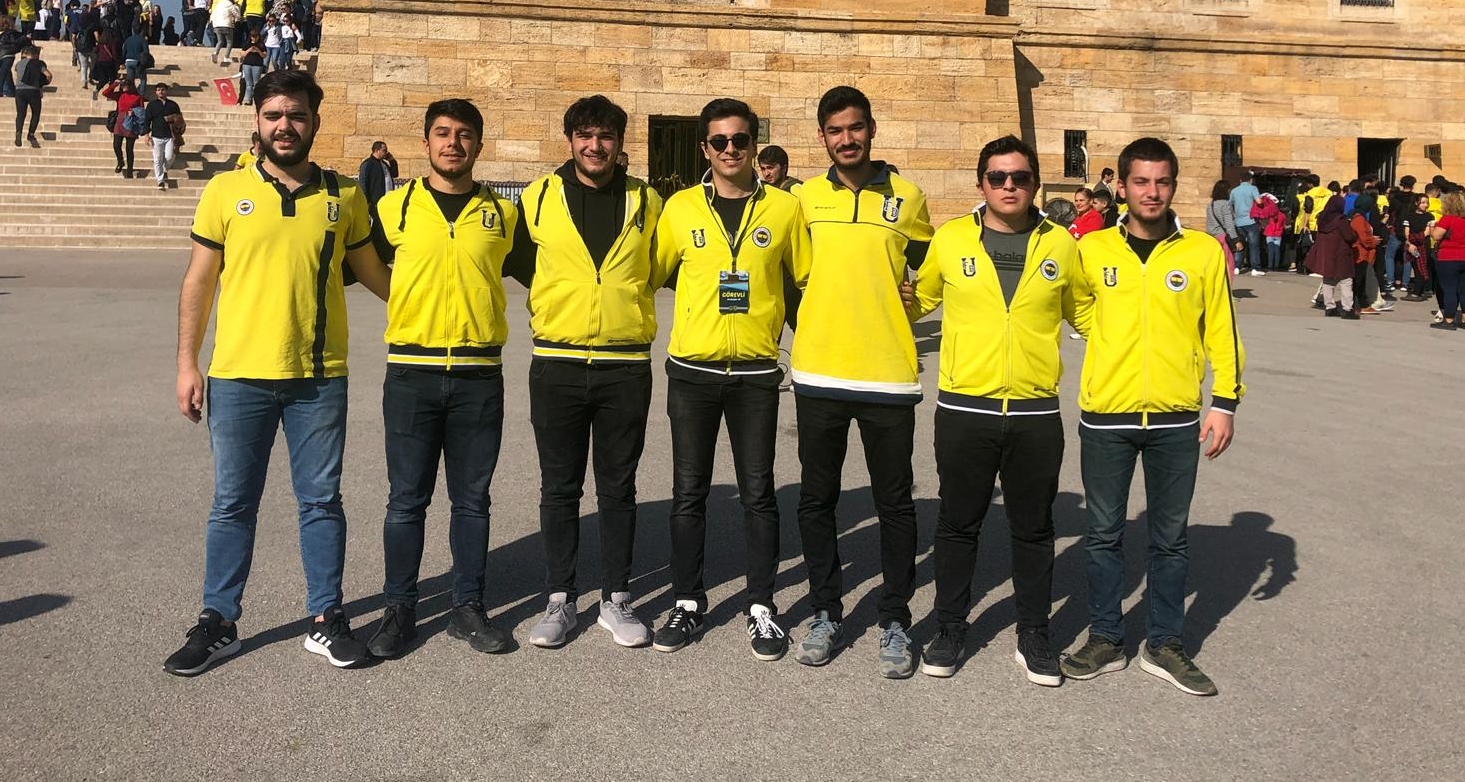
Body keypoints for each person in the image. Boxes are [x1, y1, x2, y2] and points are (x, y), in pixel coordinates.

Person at [165, 69, 393, 677]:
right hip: (238, 374)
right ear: (257, 121)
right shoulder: (225, 190)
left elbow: (376, 275)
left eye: (296, 115)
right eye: (273, 115)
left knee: (320, 501)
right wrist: (187, 363)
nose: (284, 126)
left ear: (315, 122)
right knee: (232, 503)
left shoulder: (344, 196)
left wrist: (436, 311)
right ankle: (218, 621)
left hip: (318, 376)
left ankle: (326, 617)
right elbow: (199, 281)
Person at [1060, 137, 1244, 697]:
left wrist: (1225, 401)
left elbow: (1221, 328)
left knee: (1170, 539)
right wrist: (1109, 341)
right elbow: (1076, 304)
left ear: (1173, 186)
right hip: (1107, 413)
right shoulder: (1093, 249)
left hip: (1174, 416)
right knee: (1102, 535)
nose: (1152, 192)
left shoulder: (1201, 252)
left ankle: (1164, 644)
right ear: (1122, 187)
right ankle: (1106, 638)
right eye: (1141, 181)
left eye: (1162, 182)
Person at [904, 135, 1091, 684]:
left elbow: (1087, 313)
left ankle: (1034, 633)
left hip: (1035, 411)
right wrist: (888, 293)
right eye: (997, 177)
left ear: (1035, 184)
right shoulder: (951, 239)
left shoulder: (1060, 245)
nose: (1009, 186)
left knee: (1034, 528)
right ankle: (950, 627)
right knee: (958, 524)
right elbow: (922, 300)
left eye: (1020, 177)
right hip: (965, 406)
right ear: (981, 184)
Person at [646, 98, 810, 660]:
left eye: (741, 140)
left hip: (757, 372)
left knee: (758, 493)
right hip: (693, 370)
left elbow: (808, 282)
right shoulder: (680, 209)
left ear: (754, 146)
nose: (731, 149)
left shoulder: (785, 209)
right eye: (720, 141)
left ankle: (761, 606)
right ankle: (687, 601)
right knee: (688, 493)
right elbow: (648, 274)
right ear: (705, 149)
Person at [361, 99, 521, 658]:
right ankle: (399, 610)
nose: (453, 143)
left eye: (464, 134)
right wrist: (405, 301)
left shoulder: (503, 214)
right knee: (406, 500)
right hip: (412, 371)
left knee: (472, 500)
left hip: (479, 373)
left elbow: (537, 270)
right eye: (443, 133)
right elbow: (361, 265)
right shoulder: (394, 208)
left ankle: (467, 608)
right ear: (426, 141)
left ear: (479, 144)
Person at [501, 95, 663, 650]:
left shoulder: (647, 199)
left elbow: (660, 265)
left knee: (618, 487)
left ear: (620, 143)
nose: (596, 146)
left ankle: (616, 598)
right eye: (586, 135)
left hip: (624, 363)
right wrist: (563, 299)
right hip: (558, 360)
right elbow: (521, 261)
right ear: (570, 139)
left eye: (606, 136)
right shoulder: (538, 197)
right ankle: (560, 598)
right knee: (559, 487)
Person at [789, 86, 933, 678]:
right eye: (835, 130)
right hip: (819, 369)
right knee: (817, 500)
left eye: (855, 127)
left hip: (887, 375)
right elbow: (788, 271)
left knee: (893, 503)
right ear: (822, 137)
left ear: (872, 128)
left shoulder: (909, 197)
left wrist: (915, 299)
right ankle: (825, 610)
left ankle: (895, 617)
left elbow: (933, 269)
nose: (846, 139)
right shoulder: (804, 198)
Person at [1307, 195, 1359, 319]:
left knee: (1328, 280)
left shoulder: (1322, 219)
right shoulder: (1341, 221)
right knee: (1346, 281)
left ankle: (1330, 307)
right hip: (1341, 253)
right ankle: (1347, 309)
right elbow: (1349, 237)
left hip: (1326, 253)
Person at [1428, 191, 1465, 330]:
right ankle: (1464, 319)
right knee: (1463, 290)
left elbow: (1436, 236)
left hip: (1449, 257)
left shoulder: (1448, 219)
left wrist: (1432, 227)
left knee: (1449, 289)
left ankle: (1449, 320)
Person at [141, 82, 181, 190]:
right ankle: (160, 181)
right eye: (158, 90)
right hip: (156, 136)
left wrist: (174, 121)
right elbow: (147, 120)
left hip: (169, 136)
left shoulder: (173, 105)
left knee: (169, 156)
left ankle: (164, 169)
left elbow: (179, 119)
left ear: (166, 91)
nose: (161, 92)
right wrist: (146, 135)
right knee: (157, 159)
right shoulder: (152, 105)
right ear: (156, 92)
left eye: (163, 90)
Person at [102, 75, 141, 175]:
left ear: (131, 86)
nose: (124, 86)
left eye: (126, 84)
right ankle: (120, 161)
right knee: (116, 145)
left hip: (131, 122)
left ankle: (129, 170)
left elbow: (142, 112)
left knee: (129, 149)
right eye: (123, 84)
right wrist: (115, 84)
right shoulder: (120, 95)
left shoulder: (137, 97)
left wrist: (134, 112)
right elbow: (105, 93)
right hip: (119, 121)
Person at [12, 44, 49, 147]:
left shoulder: (18, 64)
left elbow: (17, 74)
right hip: (33, 91)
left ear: (25, 54)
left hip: (19, 91)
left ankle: (18, 133)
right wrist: (45, 83)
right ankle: (31, 134)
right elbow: (49, 75)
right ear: (35, 54)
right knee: (35, 113)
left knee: (20, 114)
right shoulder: (38, 64)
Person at [1205, 179, 1241, 279]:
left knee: (1214, 265)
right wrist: (1236, 240)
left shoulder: (1210, 205)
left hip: (1212, 238)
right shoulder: (1225, 204)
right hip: (1222, 237)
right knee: (1227, 265)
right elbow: (1229, 224)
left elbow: (1208, 223)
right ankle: (1225, 286)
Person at [1230, 170, 1263, 275]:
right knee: (1254, 245)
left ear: (1240, 180)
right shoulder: (1253, 188)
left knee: (1240, 244)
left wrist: (1234, 215)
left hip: (1238, 221)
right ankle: (1255, 268)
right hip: (1251, 220)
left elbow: (1229, 205)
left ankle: (1237, 267)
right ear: (1251, 180)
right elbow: (1259, 201)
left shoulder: (1234, 191)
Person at [1250, 192, 1286, 272]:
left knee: (1270, 250)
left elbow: (1264, 222)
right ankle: (1276, 266)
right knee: (1277, 250)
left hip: (1269, 234)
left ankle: (1270, 266)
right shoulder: (1282, 215)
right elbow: (1284, 225)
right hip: (1278, 234)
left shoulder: (1268, 214)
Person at [0, 16, 31, 99]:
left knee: (3, 73)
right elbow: (22, 41)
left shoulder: (9, 33)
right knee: (6, 73)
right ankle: (10, 91)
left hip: (5, 54)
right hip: (8, 55)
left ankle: (4, 90)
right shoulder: (14, 33)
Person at [237, 28, 264, 105]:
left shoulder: (261, 45)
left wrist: (258, 50)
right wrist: (249, 50)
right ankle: (248, 100)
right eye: (252, 36)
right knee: (248, 83)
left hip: (257, 65)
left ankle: (256, 100)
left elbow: (264, 55)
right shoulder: (247, 44)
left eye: (256, 36)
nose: (254, 38)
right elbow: (242, 54)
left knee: (256, 83)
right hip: (247, 64)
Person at [120, 23, 147, 92]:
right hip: (138, 61)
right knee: (143, 78)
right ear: (141, 31)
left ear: (132, 30)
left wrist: (122, 62)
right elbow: (146, 52)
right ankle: (141, 94)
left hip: (128, 61)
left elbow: (124, 51)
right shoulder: (143, 40)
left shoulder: (128, 39)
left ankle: (131, 93)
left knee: (130, 80)